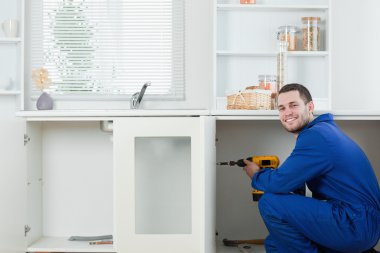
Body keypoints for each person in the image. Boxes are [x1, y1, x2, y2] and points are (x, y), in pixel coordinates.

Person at [243, 83, 380, 253]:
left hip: (355, 224)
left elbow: (278, 184)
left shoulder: (316, 136)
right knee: (275, 243)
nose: (287, 113)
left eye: (293, 105)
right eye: (282, 108)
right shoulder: (324, 131)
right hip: (361, 223)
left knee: (269, 203)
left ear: (310, 106)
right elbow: (292, 181)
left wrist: (256, 175)